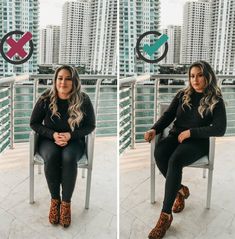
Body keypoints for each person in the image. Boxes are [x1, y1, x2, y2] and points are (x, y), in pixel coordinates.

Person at [144, 60, 226, 239]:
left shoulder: (216, 100)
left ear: (208, 76)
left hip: (197, 142)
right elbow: (168, 116)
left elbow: (220, 128)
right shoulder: (183, 94)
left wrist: (191, 132)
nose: (195, 79)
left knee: (175, 160)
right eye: (192, 76)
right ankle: (180, 190)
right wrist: (154, 129)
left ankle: (165, 216)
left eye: (199, 75)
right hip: (176, 136)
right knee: (159, 152)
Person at [30, 65, 96, 227]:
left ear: (74, 81)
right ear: (55, 80)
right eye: (60, 78)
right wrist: (52, 135)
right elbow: (34, 123)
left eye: (68, 78)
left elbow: (90, 126)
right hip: (48, 140)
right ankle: (55, 201)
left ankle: (66, 204)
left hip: (73, 141)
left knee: (68, 158)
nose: (63, 82)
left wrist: (70, 135)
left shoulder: (84, 99)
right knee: (52, 156)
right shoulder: (45, 98)